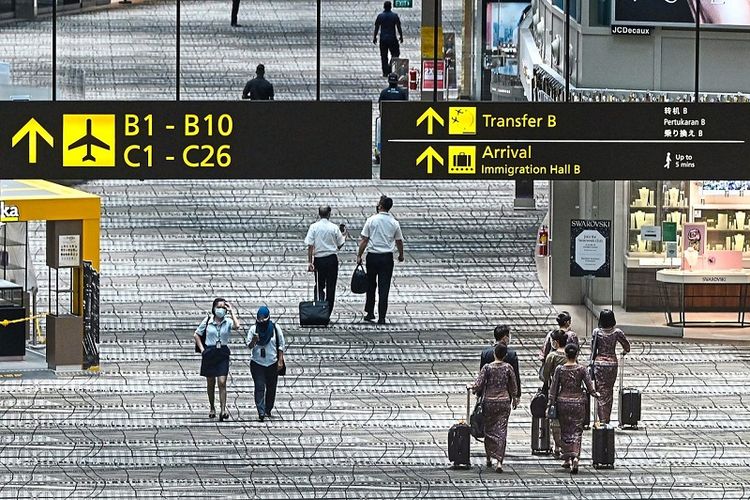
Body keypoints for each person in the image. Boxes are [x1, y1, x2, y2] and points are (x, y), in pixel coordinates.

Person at [548, 344, 600, 474]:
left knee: (565, 431)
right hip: (578, 403)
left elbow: (554, 388)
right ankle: (575, 457)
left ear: (566, 354)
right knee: (577, 430)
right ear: (577, 354)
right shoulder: (582, 369)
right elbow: (589, 386)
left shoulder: (560, 369)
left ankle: (568, 458)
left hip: (563, 402)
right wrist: (595, 394)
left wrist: (551, 403)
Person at [468, 343, 519, 473]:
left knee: (489, 430)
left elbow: (479, 384)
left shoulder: (487, 368)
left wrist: (472, 388)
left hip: (489, 402)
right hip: (504, 401)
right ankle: (499, 462)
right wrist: (515, 398)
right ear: (505, 355)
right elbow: (513, 385)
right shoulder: (508, 368)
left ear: (494, 354)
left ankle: (489, 457)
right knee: (501, 430)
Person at [357, 196, 404, 324]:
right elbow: (399, 241)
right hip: (386, 258)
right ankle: (382, 316)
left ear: (380, 206)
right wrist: (401, 255)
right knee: (384, 287)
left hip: (372, 257)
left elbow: (365, 240)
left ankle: (370, 312)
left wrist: (359, 255)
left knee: (371, 285)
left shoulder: (371, 220)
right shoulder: (394, 222)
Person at [194, 298, 240, 421]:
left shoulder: (228, 321)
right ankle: (212, 407)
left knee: (222, 381)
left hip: (222, 352)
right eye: (219, 307)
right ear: (214, 308)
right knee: (210, 382)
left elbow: (237, 326)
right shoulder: (208, 320)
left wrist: (232, 311)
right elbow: (197, 334)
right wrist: (202, 349)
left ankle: (223, 409)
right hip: (210, 351)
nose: (221, 310)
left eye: (223, 308)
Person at [304, 205, 347, 314]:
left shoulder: (313, 227)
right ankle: (328, 312)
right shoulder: (334, 227)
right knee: (331, 286)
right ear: (329, 214)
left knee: (319, 285)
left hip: (318, 260)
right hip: (332, 259)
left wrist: (310, 262)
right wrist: (344, 236)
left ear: (319, 214)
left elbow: (310, 246)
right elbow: (340, 245)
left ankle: (319, 307)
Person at [590, 309, 631, 423]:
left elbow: (592, 350)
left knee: (600, 391)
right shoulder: (617, 332)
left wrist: (591, 363)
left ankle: (601, 419)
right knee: (609, 391)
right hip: (612, 364)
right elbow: (627, 347)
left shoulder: (597, 332)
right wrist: (623, 353)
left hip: (599, 364)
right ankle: (606, 418)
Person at [246, 306, 286, 422]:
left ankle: (268, 408)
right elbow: (249, 346)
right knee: (259, 386)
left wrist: (280, 360)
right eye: (260, 318)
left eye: (264, 318)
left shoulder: (275, 328)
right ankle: (261, 411)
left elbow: (281, 345)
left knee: (271, 387)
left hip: (272, 363)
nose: (262, 321)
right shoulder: (253, 329)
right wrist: (254, 340)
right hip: (257, 363)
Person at [541, 329, 569, 458]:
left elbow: (545, 375)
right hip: (571, 391)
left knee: (555, 420)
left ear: (556, 342)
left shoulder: (552, 356)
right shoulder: (571, 354)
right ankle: (568, 447)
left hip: (556, 391)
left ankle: (558, 446)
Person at [480, 325, 521, 400]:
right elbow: (515, 376)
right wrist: (517, 395)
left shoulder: (485, 353)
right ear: (505, 337)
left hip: (488, 397)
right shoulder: (511, 354)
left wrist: (479, 394)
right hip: (505, 397)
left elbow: (481, 377)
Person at [373, 1, 403, 77]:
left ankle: (385, 72)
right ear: (390, 7)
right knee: (396, 53)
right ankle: (390, 66)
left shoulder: (380, 16)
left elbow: (377, 27)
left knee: (383, 55)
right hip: (392, 38)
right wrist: (401, 36)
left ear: (384, 7)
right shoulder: (394, 16)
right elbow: (398, 26)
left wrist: (375, 37)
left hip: (383, 39)